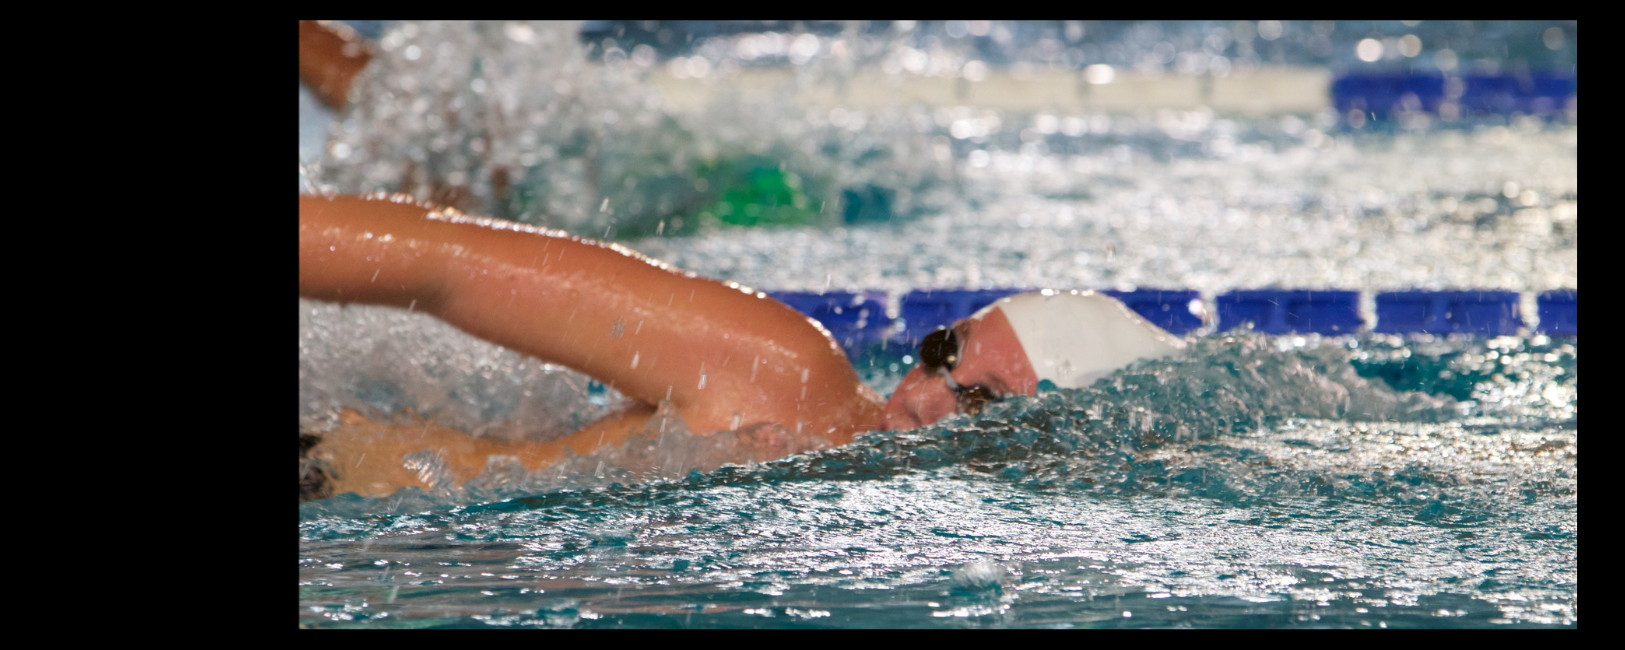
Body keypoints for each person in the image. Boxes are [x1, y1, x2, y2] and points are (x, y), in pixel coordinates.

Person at [299, 194, 1187, 500]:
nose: (921, 393)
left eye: (980, 402)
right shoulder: (785, 378)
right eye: (940, 353)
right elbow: (443, 261)